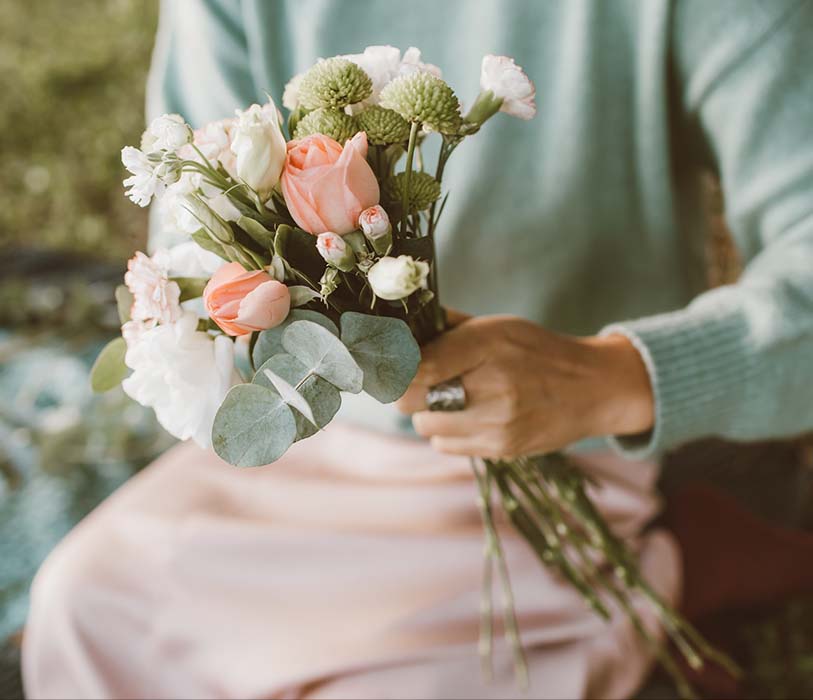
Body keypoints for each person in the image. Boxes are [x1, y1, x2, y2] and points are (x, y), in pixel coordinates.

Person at [23, 0, 813, 697]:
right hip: (303, 435)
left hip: (567, 441)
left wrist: (611, 377)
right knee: (82, 610)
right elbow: (190, 232)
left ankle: (651, 577)